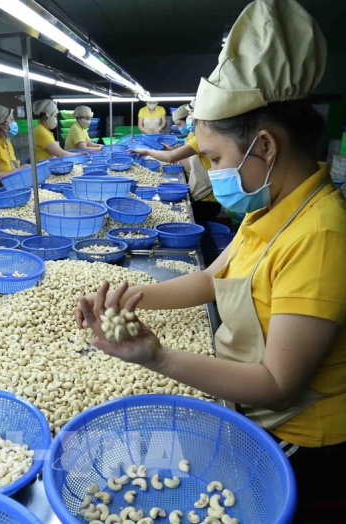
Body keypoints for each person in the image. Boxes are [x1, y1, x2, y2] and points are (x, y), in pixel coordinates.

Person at [75, 0, 345, 516]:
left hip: (306, 447)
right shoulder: (276, 208)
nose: (214, 174)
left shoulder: (322, 234)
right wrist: (128, 297)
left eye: (217, 159)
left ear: (264, 145)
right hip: (260, 422)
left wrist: (158, 357)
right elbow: (211, 280)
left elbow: (278, 384)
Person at [130, 100, 221, 222]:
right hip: (202, 194)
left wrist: (147, 152)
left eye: (191, 113)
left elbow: (171, 157)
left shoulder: (201, 139)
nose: (189, 117)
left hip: (208, 198)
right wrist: (171, 150)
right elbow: (187, 163)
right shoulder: (198, 137)